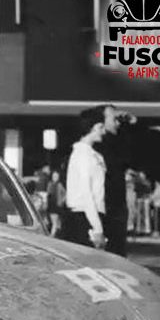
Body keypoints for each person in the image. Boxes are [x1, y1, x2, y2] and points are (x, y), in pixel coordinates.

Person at [61, 106, 107, 249]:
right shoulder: (82, 155)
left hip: (91, 216)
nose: (104, 131)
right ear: (92, 127)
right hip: (84, 218)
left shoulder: (94, 155)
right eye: (101, 127)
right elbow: (86, 193)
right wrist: (97, 228)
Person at [95, 103, 137, 256]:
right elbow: (123, 157)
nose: (117, 123)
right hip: (106, 204)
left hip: (116, 203)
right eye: (113, 119)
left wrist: (128, 125)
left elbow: (128, 157)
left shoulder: (115, 141)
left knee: (117, 249)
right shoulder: (100, 144)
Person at [46, 169, 66, 237]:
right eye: (54, 176)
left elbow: (65, 193)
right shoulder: (50, 184)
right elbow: (48, 195)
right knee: (56, 222)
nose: (55, 178)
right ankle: (56, 235)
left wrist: (62, 200)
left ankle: (52, 236)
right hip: (51, 205)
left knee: (55, 222)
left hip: (57, 205)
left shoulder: (59, 185)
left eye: (56, 176)